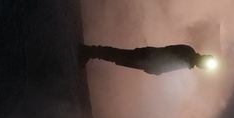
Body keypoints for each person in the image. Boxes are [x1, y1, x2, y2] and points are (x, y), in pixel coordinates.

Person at [79, 43, 218, 75]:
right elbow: (168, 54)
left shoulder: (188, 61)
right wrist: (157, 68)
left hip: (149, 60)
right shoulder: (188, 53)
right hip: (148, 57)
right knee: (120, 55)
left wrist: (157, 70)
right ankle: (91, 51)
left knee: (120, 57)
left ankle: (92, 52)